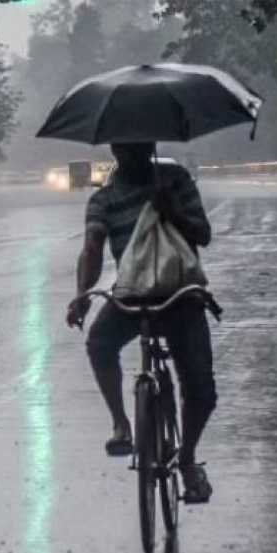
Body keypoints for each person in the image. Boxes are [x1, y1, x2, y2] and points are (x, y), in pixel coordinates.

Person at [65, 142, 217, 504]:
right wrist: (82, 294)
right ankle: (121, 423)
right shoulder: (103, 200)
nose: (131, 152)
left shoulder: (176, 181)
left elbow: (203, 234)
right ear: (115, 150)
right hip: (132, 295)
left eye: (138, 144)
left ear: (149, 145)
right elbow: (92, 250)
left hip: (181, 295)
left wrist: (174, 212)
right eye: (123, 146)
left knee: (201, 388)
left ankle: (188, 458)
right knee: (99, 343)